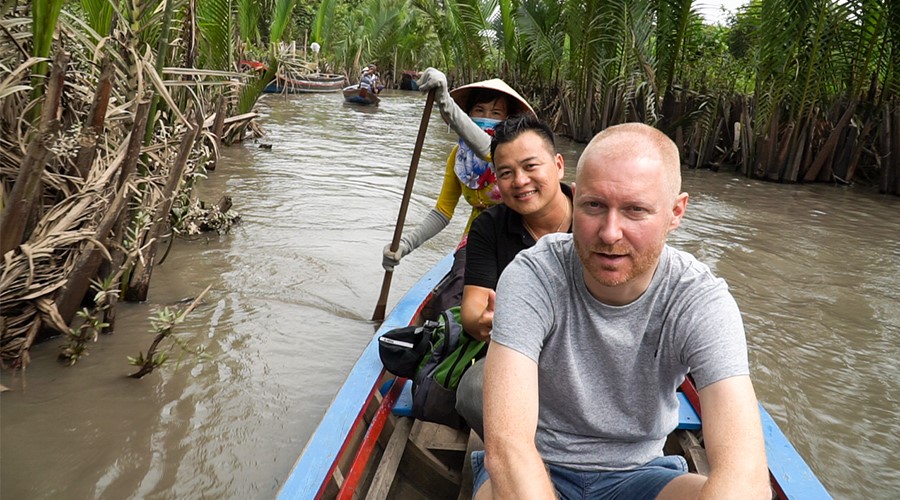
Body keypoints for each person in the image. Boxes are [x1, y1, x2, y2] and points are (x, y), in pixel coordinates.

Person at [475, 123, 771, 499]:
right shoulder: (534, 276)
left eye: (636, 210)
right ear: (576, 197)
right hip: (539, 463)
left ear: (675, 212)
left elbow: (743, 471)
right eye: (595, 206)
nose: (610, 233)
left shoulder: (699, 300)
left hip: (640, 475)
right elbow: (508, 447)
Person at [381, 68, 536, 315]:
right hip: (478, 236)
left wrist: (444, 100)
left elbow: (488, 148)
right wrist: (403, 247)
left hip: (519, 236)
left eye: (496, 114)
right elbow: (442, 212)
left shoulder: (510, 151)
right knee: (448, 304)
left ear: (507, 121)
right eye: (479, 112)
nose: (487, 118)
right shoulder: (458, 156)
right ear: (469, 114)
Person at [455, 114, 571, 438]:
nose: (519, 181)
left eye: (531, 166)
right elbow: (473, 311)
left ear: (558, 165)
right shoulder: (489, 227)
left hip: (593, 358)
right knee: (473, 390)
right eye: (506, 173)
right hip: (519, 358)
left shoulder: (596, 215)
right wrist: (486, 321)